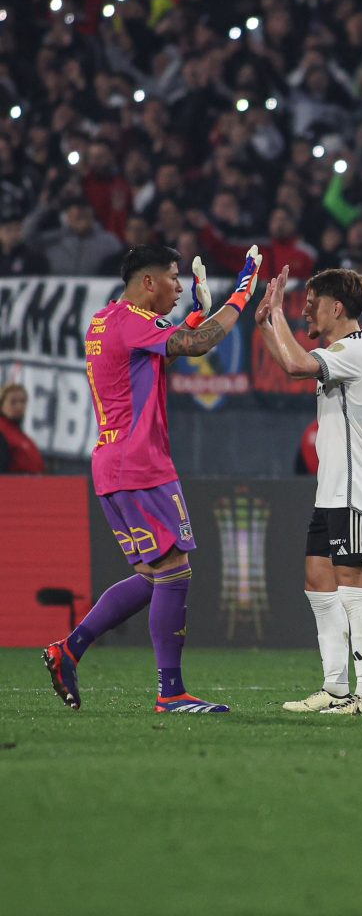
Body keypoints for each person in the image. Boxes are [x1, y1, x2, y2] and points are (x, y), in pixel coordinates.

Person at [43, 244, 263, 714]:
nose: (180, 287)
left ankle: (70, 649)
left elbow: (153, 353)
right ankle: (171, 691)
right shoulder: (129, 321)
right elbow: (198, 346)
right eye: (173, 277)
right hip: (141, 464)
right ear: (148, 282)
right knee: (175, 571)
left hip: (111, 464)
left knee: (151, 574)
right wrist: (240, 293)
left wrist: (190, 318)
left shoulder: (104, 321)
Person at [255, 265, 362, 715]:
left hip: (358, 487)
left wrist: (276, 316)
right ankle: (335, 688)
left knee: (354, 589)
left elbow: (296, 364)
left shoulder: (359, 350)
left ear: (337, 307)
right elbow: (294, 362)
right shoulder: (339, 351)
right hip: (333, 488)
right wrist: (267, 325)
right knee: (318, 582)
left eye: (312, 305)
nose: (306, 312)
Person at [0, 383, 46, 474]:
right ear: (2, 405)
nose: (19, 406)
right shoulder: (3, 432)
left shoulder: (19, 434)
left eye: (23, 401)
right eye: (13, 402)